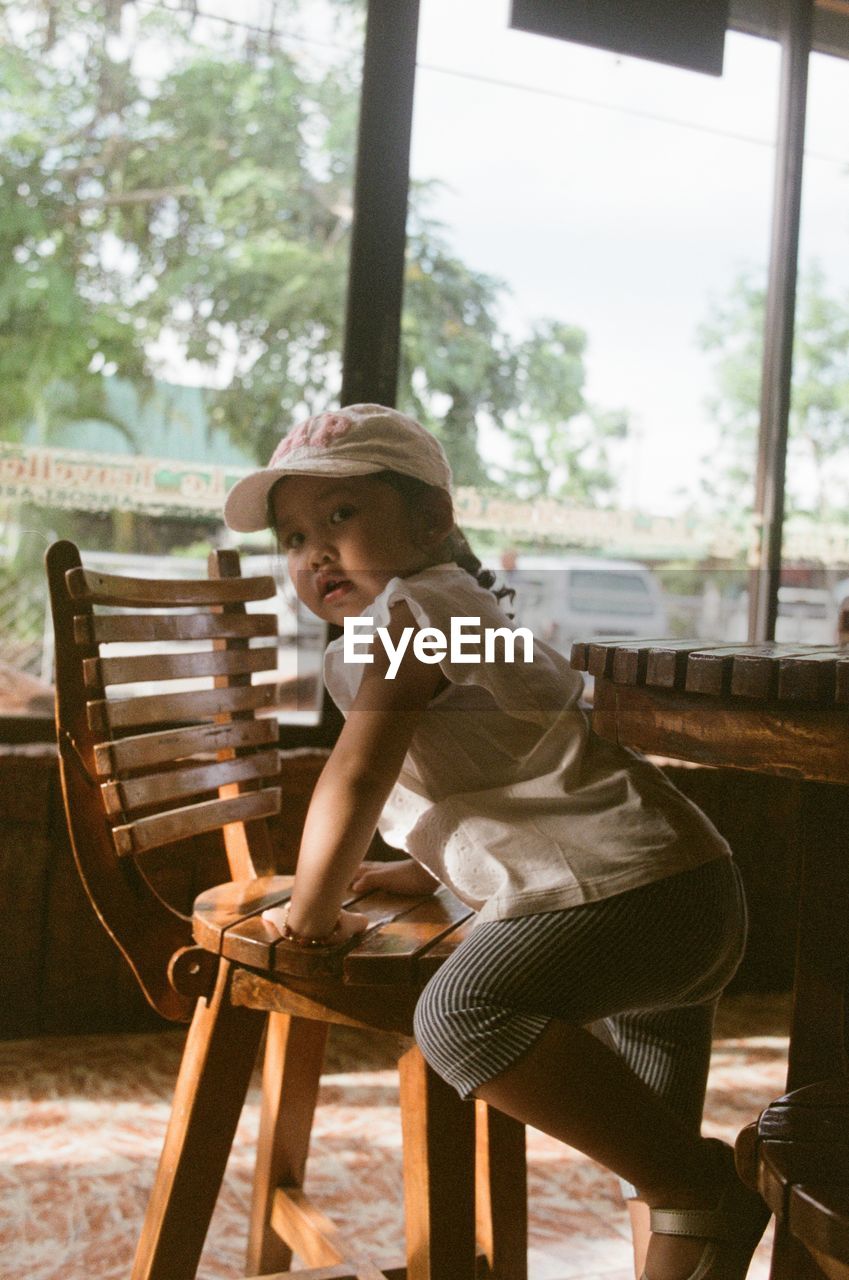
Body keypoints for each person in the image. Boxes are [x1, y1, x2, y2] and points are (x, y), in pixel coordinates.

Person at [223, 403, 770, 1280]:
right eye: (291, 537)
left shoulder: (417, 613)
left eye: (340, 516)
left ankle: (713, 1186)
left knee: (459, 1014)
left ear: (431, 520)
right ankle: (693, 1207)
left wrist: (312, 912)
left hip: (625, 894)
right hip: (679, 885)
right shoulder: (460, 612)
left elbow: (357, 775)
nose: (313, 552)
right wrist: (425, 867)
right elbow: (514, 771)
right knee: (653, 1166)